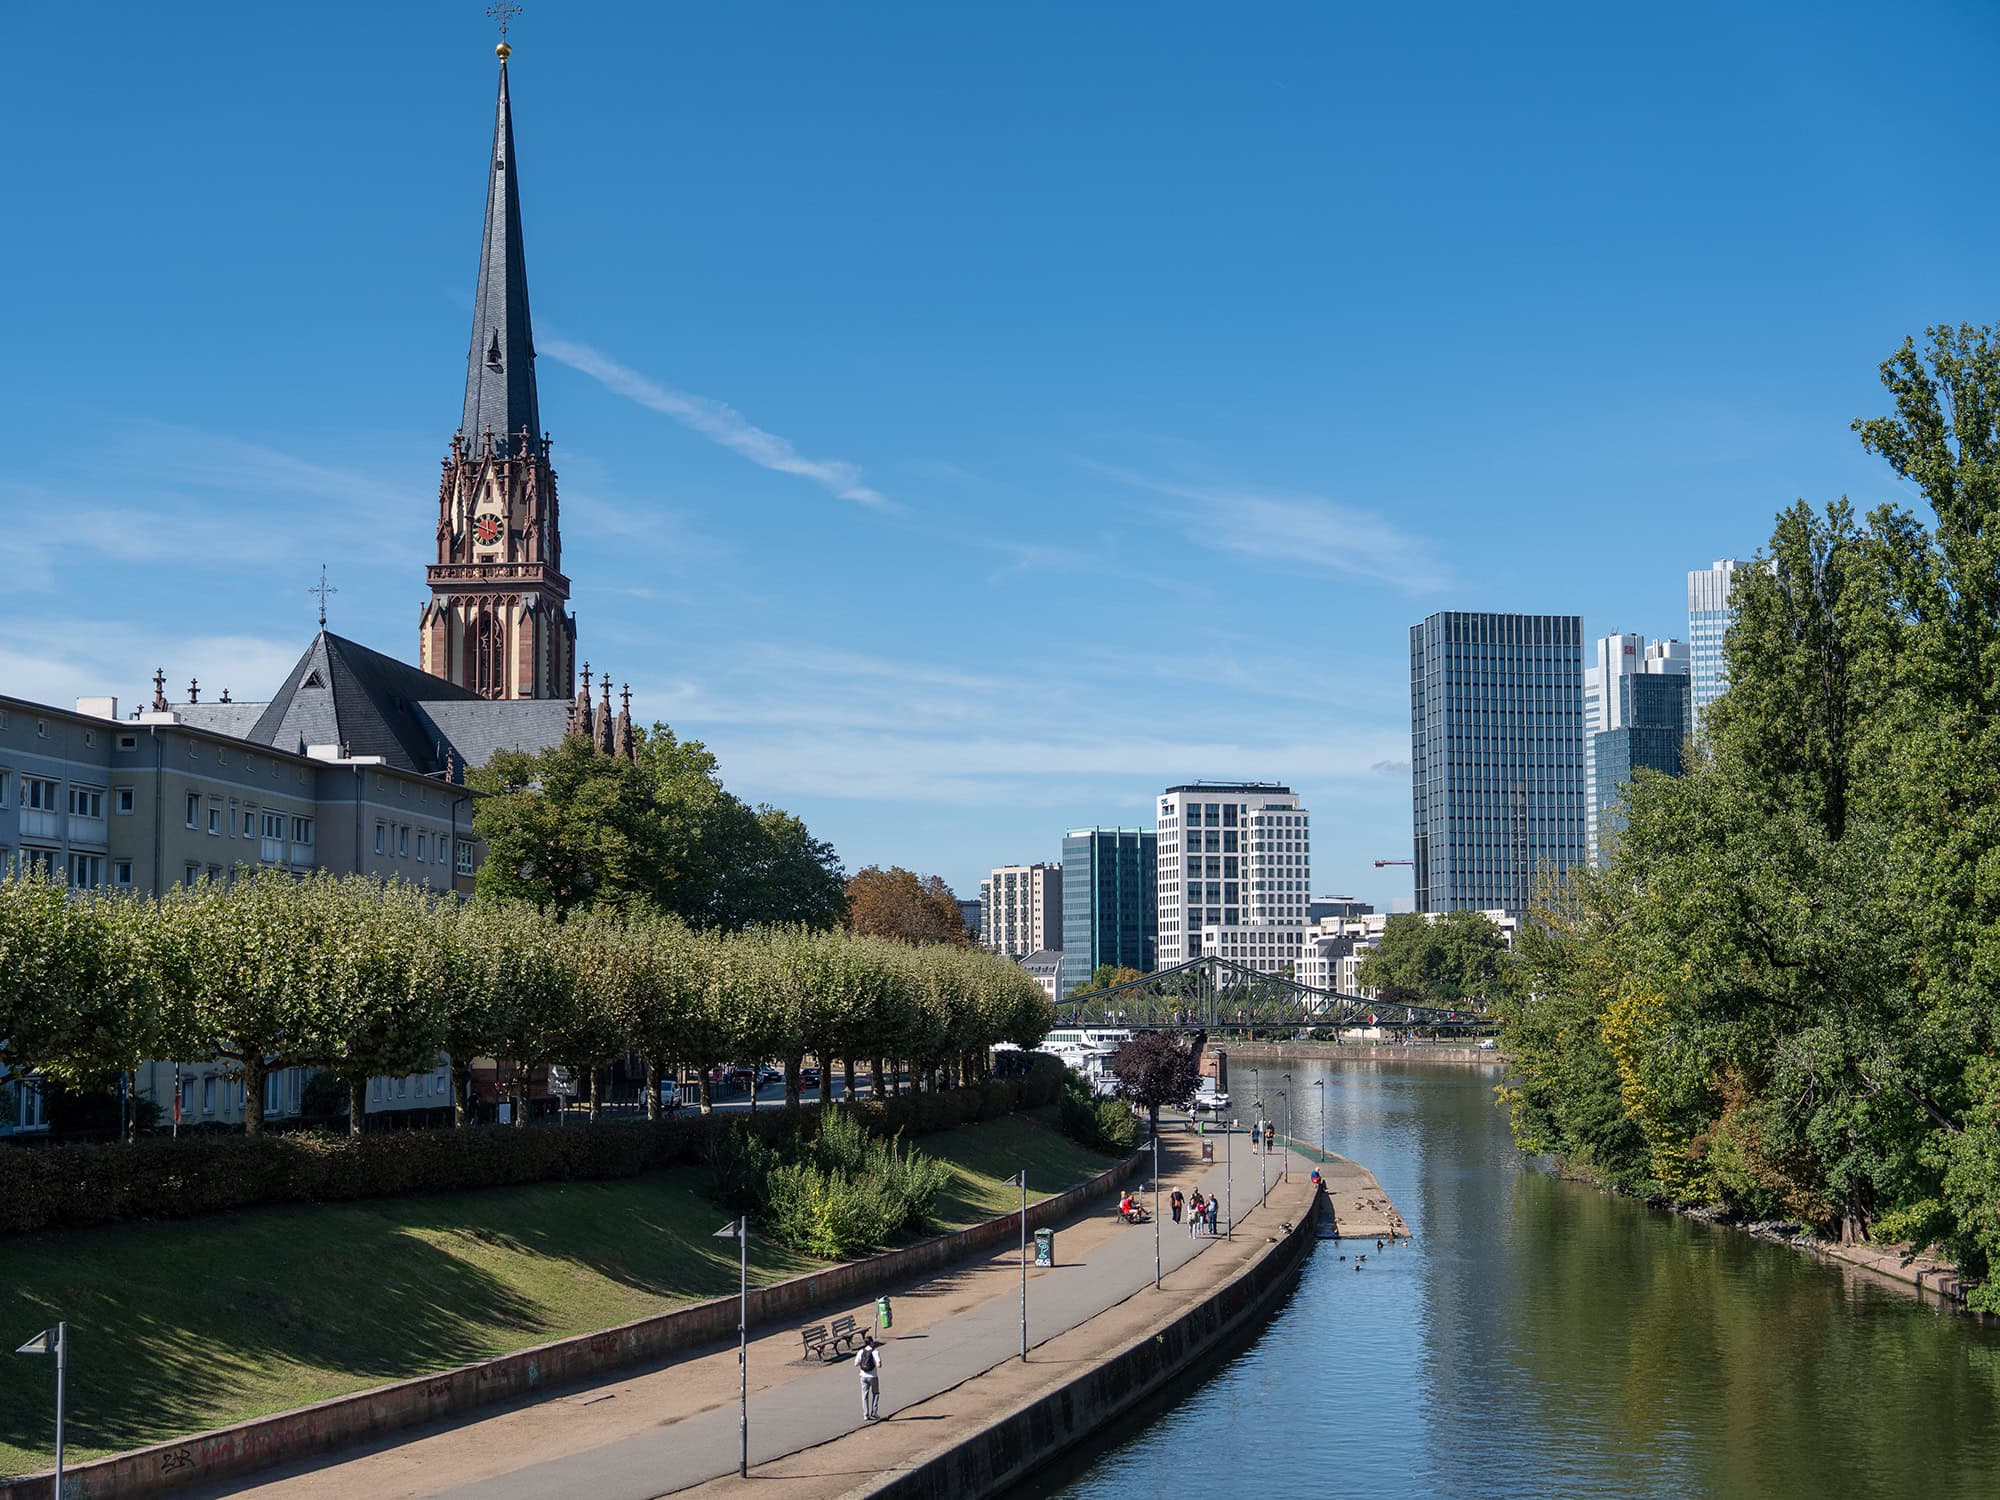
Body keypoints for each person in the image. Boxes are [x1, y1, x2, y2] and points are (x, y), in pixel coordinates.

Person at [856, 1333, 882, 1421]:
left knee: (864, 1395)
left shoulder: (860, 1351)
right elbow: (879, 1365)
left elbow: (856, 1364)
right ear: (871, 1342)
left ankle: (865, 1414)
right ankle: (874, 1412)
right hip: (873, 1376)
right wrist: (875, 1363)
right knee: (875, 1393)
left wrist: (863, 1364)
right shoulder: (875, 1352)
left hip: (863, 1376)